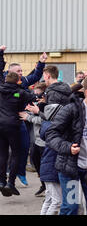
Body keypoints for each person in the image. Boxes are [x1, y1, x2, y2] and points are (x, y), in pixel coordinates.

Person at [45, 74, 87, 215]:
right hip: (70, 167)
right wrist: (67, 147)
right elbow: (50, 134)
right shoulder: (71, 109)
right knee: (71, 206)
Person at [4, 51, 48, 187]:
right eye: (18, 71)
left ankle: (20, 172)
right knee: (7, 150)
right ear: (9, 72)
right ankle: (5, 174)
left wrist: (41, 62)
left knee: (24, 146)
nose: (21, 73)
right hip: (4, 120)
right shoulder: (3, 81)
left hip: (19, 118)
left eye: (22, 70)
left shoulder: (22, 82)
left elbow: (35, 76)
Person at [0, 72, 34, 196]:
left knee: (2, 154)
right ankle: (11, 183)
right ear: (17, 81)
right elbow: (33, 98)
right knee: (16, 153)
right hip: (13, 125)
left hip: (0, 125)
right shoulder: (20, 92)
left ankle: (2, 181)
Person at [19, 82, 47, 197]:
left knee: (46, 165)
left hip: (45, 140)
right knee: (36, 161)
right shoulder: (37, 102)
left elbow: (45, 120)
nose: (36, 96)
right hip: (37, 139)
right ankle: (43, 185)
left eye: (39, 93)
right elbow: (35, 114)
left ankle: (49, 188)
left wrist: (29, 117)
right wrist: (28, 112)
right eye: (35, 93)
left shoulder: (47, 105)